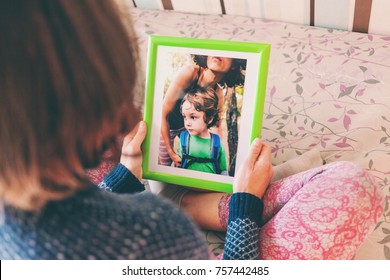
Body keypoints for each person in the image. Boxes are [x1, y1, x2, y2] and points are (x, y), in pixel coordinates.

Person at [0, 0, 269, 260]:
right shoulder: (149, 229)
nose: (130, 115)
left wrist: (124, 175)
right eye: (120, 96)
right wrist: (245, 203)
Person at [159, 54, 246, 167]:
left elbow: (214, 126)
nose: (219, 53)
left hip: (188, 128)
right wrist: (171, 153)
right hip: (166, 126)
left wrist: (216, 155)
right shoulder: (189, 73)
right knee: (163, 166)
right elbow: (162, 114)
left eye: (226, 53)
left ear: (234, 65)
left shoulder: (218, 94)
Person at [178, 87, 228, 175]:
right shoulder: (184, 139)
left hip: (209, 188)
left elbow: (223, 172)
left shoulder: (216, 143)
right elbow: (176, 165)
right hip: (185, 187)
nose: (187, 123)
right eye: (184, 117)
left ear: (209, 119)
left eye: (193, 117)